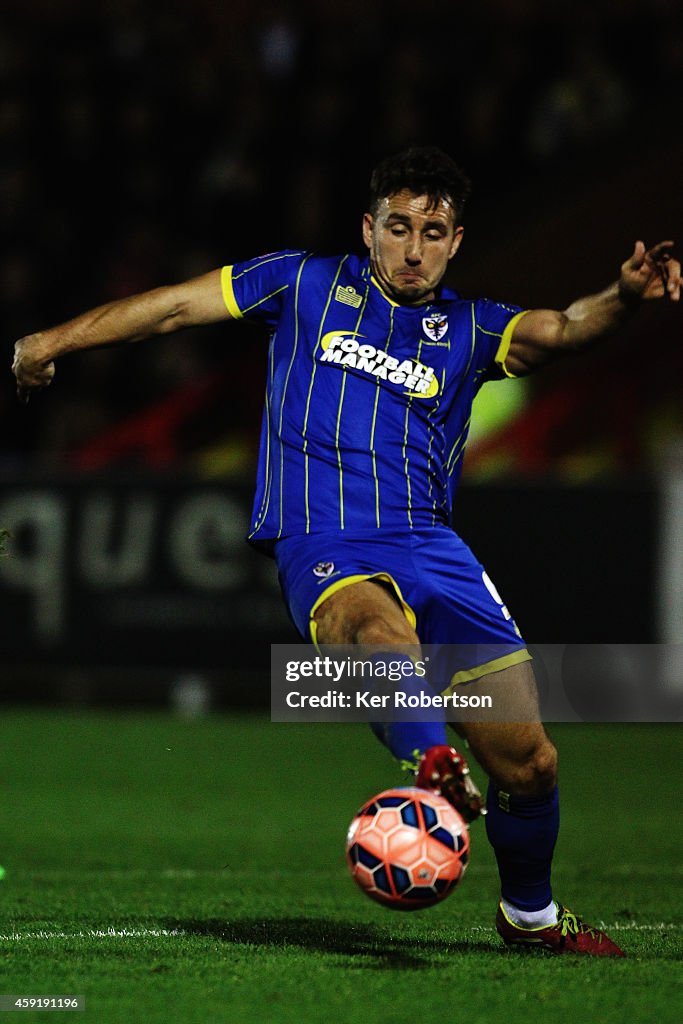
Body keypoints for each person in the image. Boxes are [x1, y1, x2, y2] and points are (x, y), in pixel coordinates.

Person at [13, 147, 680, 956]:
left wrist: (623, 295)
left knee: (529, 763)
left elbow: (567, 328)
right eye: (397, 227)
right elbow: (169, 311)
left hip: (433, 550)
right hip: (323, 542)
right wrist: (48, 339)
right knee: (374, 636)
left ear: (454, 241)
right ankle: (430, 764)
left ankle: (529, 918)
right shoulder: (299, 283)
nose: (411, 248)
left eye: (431, 232)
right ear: (367, 229)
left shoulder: (471, 330)